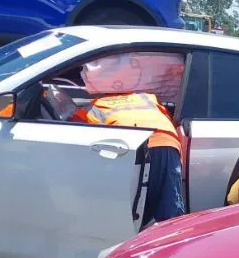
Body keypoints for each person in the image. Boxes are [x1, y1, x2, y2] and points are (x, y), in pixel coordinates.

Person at [72, 91, 186, 227]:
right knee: (170, 212)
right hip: (166, 142)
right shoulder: (145, 97)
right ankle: (171, 242)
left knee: (128, 212)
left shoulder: (93, 107)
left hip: (132, 149)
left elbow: (78, 139)